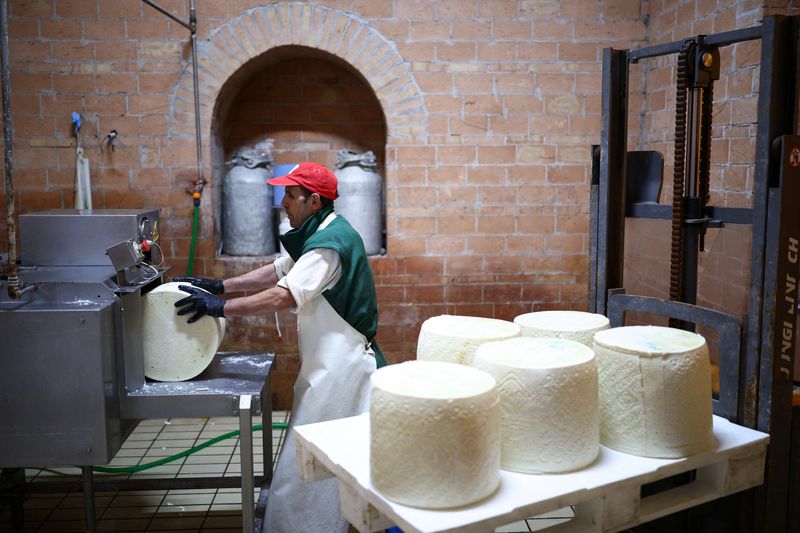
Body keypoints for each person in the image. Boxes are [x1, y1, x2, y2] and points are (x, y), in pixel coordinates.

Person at [173, 162, 385, 532]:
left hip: (342, 371)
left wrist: (220, 308)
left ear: (314, 200)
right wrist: (220, 286)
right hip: (327, 366)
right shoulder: (319, 229)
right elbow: (276, 271)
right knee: (314, 460)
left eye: (290, 193)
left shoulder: (327, 247)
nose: (282, 201)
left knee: (309, 463)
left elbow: (280, 295)